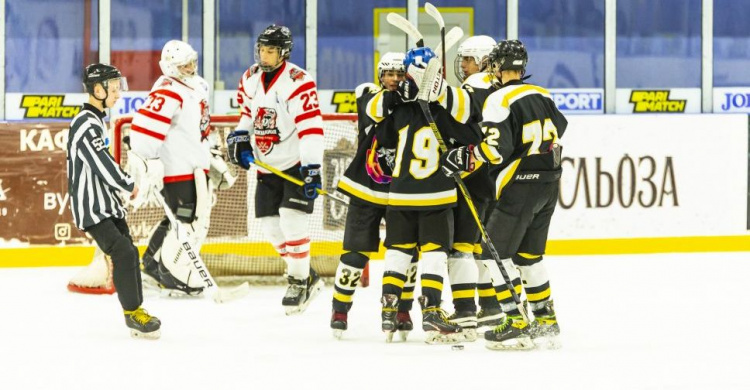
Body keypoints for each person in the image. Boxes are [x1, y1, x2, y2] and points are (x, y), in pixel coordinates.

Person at [440, 39, 567, 350]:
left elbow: (496, 150)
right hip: (549, 182)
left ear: (496, 67)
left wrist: (466, 156)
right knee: (528, 255)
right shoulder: (541, 93)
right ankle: (545, 319)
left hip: (519, 184)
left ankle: (515, 321)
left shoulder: (498, 99)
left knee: (491, 252)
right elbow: (560, 128)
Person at [376, 47, 481, 344]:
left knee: (397, 252)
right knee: (434, 253)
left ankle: (389, 307)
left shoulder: (398, 110)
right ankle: (432, 309)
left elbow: (382, 138)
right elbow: (473, 136)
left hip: (398, 196)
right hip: (436, 196)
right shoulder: (441, 110)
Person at [226, 25, 325, 315]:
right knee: (270, 227)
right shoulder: (250, 78)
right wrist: (241, 137)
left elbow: (311, 128)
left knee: (292, 220)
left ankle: (297, 280)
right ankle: (308, 274)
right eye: (262, 49)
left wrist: (312, 168)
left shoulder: (298, 81)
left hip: (295, 164)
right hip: (268, 166)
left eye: (271, 50)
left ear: (284, 52)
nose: (264, 55)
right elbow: (247, 115)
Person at [67, 63, 160, 339]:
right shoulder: (85, 123)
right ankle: (133, 314)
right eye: (115, 88)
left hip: (106, 205)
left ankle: (137, 311)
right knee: (124, 253)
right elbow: (102, 165)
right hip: (92, 209)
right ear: (98, 89)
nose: (119, 93)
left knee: (129, 252)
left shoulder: (96, 120)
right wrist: (129, 184)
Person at [330, 52, 418, 340]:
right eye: (389, 74)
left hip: (401, 192)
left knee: (407, 254)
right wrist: (408, 88)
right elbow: (378, 106)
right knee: (355, 252)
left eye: (400, 74)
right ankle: (340, 310)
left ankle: (402, 310)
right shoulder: (366, 93)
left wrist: (419, 79)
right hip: (365, 188)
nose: (394, 79)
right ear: (380, 75)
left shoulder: (414, 101)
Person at [130, 40, 228, 297]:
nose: (191, 67)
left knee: (175, 218)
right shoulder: (167, 90)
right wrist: (148, 162)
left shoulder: (199, 85)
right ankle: (174, 275)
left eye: (192, 61)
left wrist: (211, 153)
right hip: (178, 169)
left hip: (195, 165)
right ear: (170, 67)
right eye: (184, 65)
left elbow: (201, 126)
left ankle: (151, 266)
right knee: (187, 221)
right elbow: (143, 128)